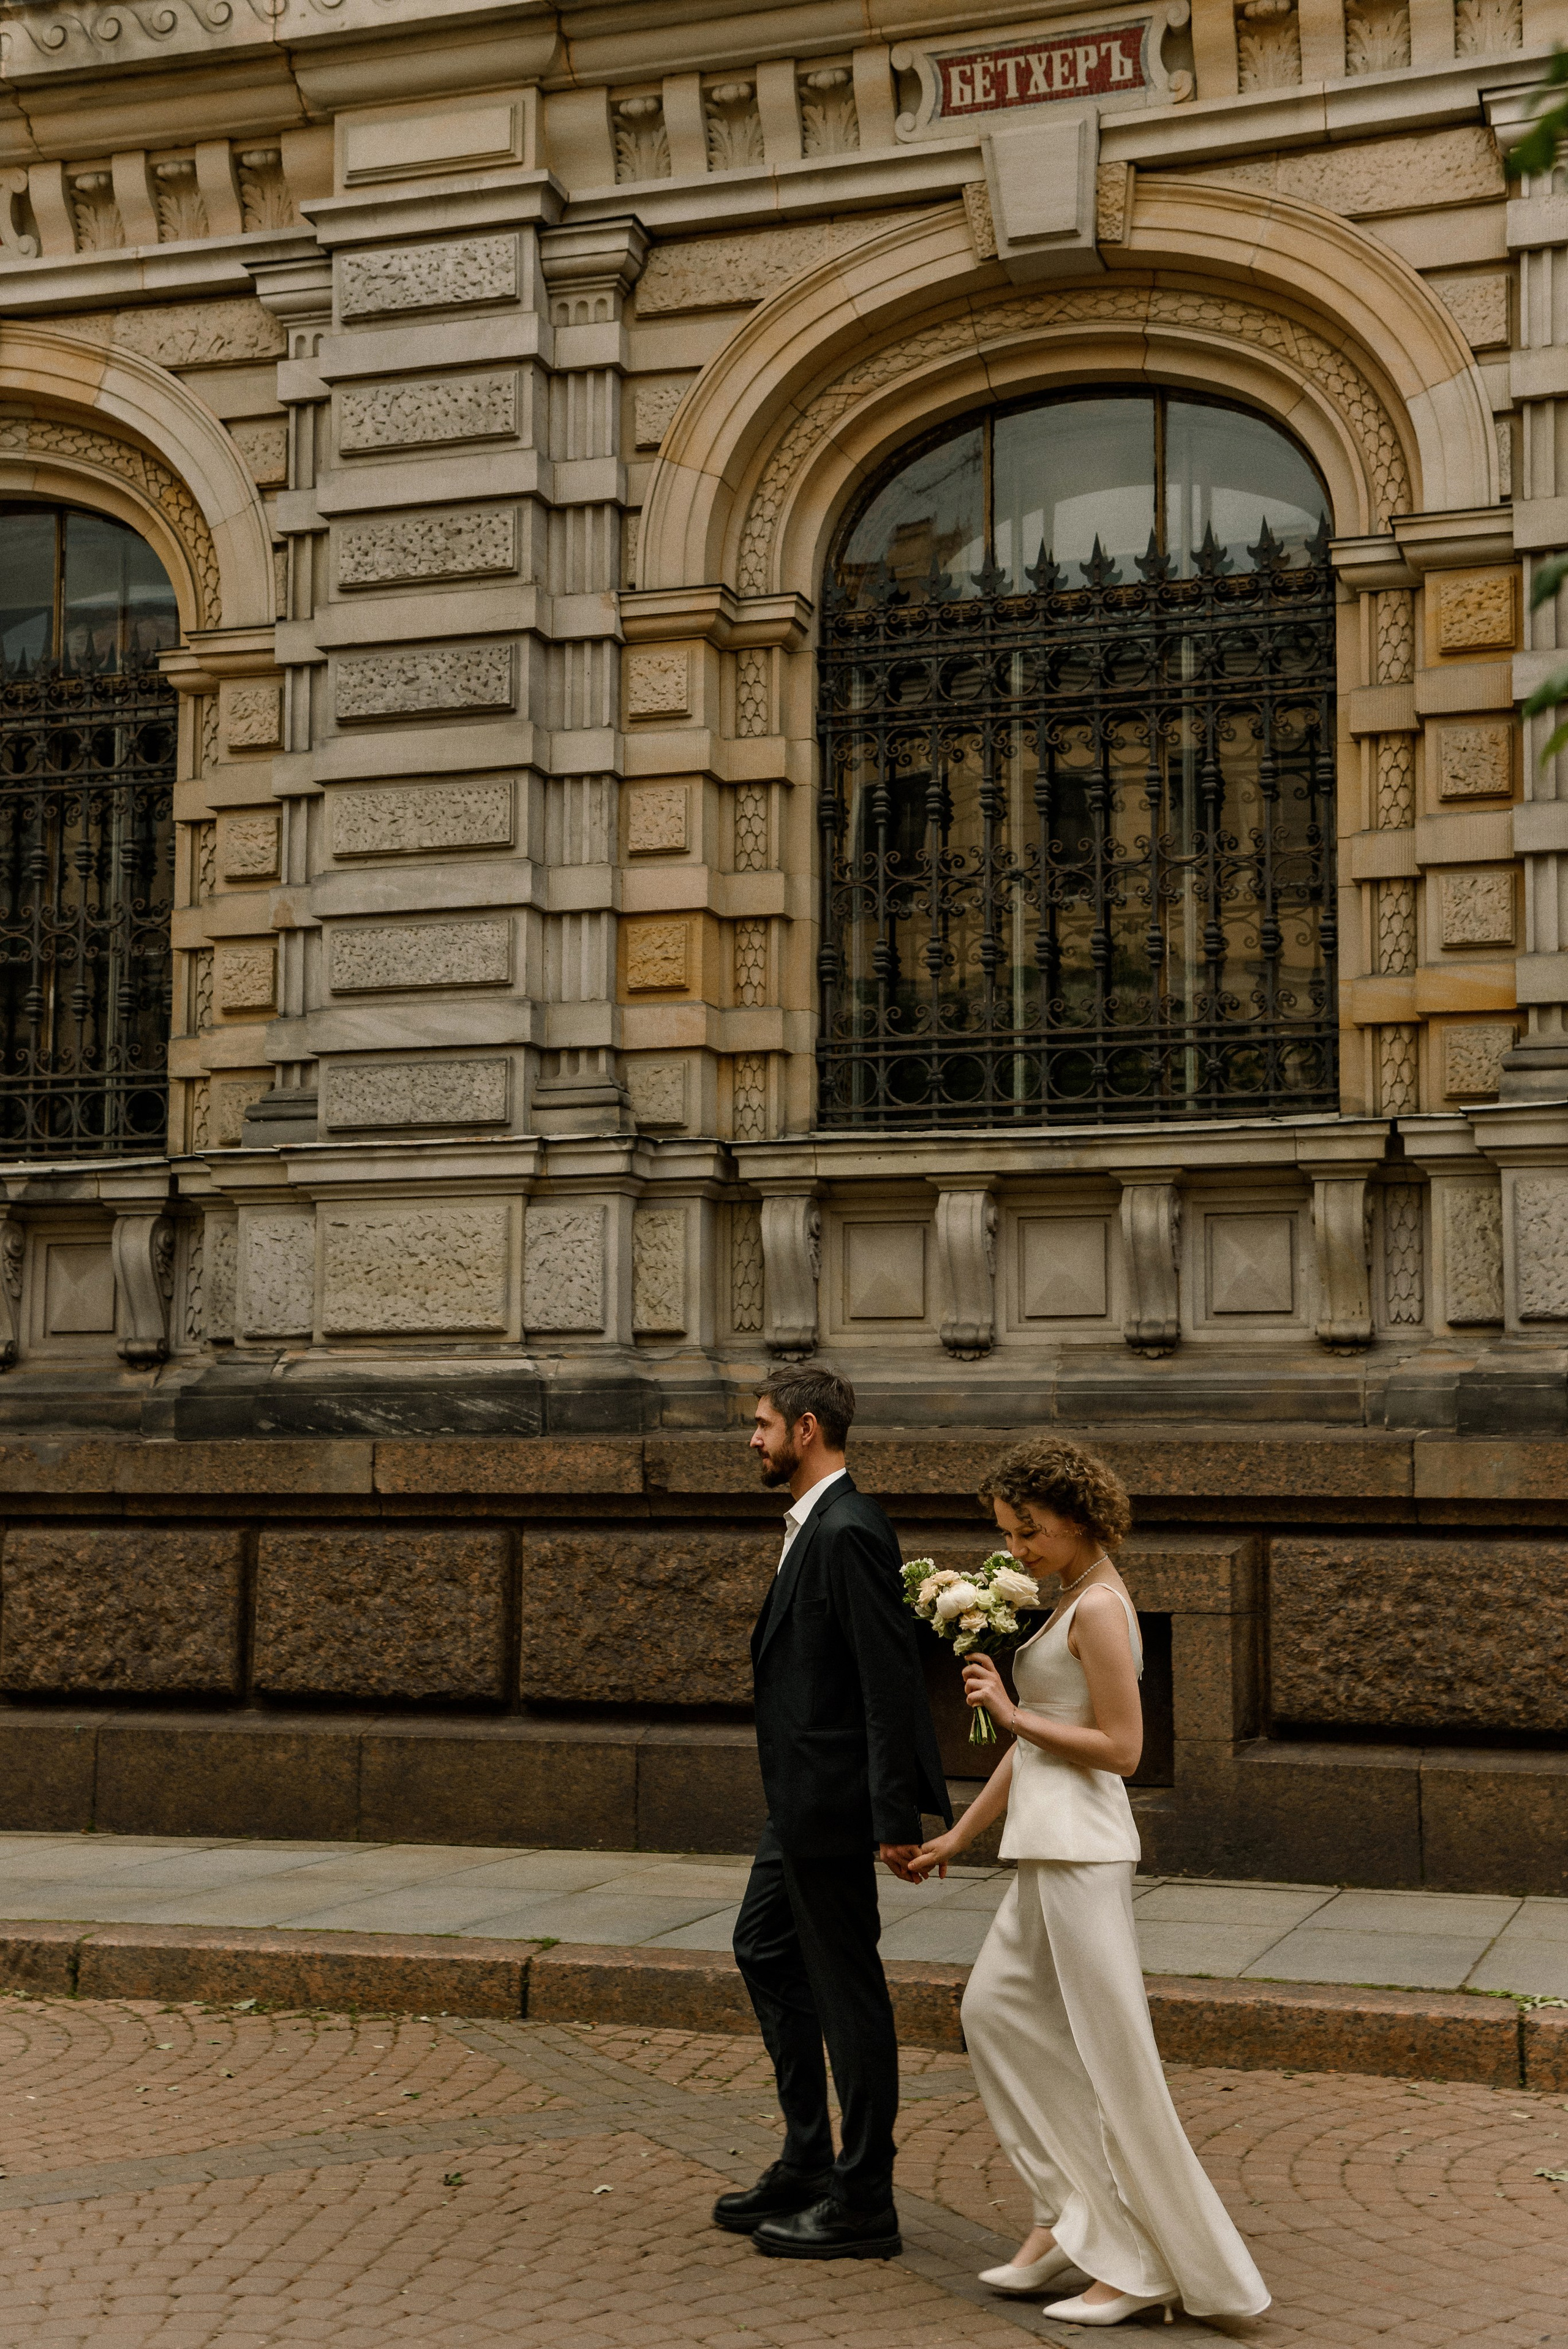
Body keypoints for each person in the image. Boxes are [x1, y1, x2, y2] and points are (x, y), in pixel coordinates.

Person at [910, 1438, 1270, 2328]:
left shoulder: (1101, 1609)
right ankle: (1070, 2219)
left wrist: (1009, 1710)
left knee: (1113, 2060)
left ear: (1077, 1520)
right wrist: (960, 1829)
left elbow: (1124, 1750)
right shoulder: (1068, 1598)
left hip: (1084, 1853)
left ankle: (1140, 2265)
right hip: (1048, 1848)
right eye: (1007, 1533)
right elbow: (1036, 1743)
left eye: (1027, 1532)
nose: (1016, 1550)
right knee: (993, 2013)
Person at [713, 1367, 950, 2261]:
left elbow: (887, 1683)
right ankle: (809, 2157)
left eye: (764, 1424)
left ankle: (864, 2198)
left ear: (807, 1429)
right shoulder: (812, 1526)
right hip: (799, 1806)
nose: (754, 1439)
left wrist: (895, 1816)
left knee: (850, 1996)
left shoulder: (847, 1529)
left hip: (837, 1805)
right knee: (763, 1946)